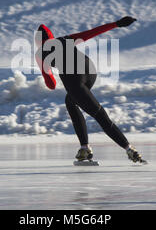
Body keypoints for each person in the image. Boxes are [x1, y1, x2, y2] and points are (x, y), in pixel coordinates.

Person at [35, 16, 146, 164]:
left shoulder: (40, 54)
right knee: (70, 101)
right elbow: (90, 33)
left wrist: (51, 68)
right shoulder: (64, 40)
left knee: (100, 116)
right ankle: (85, 148)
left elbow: (51, 84)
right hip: (90, 72)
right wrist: (116, 24)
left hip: (75, 80)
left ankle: (128, 148)